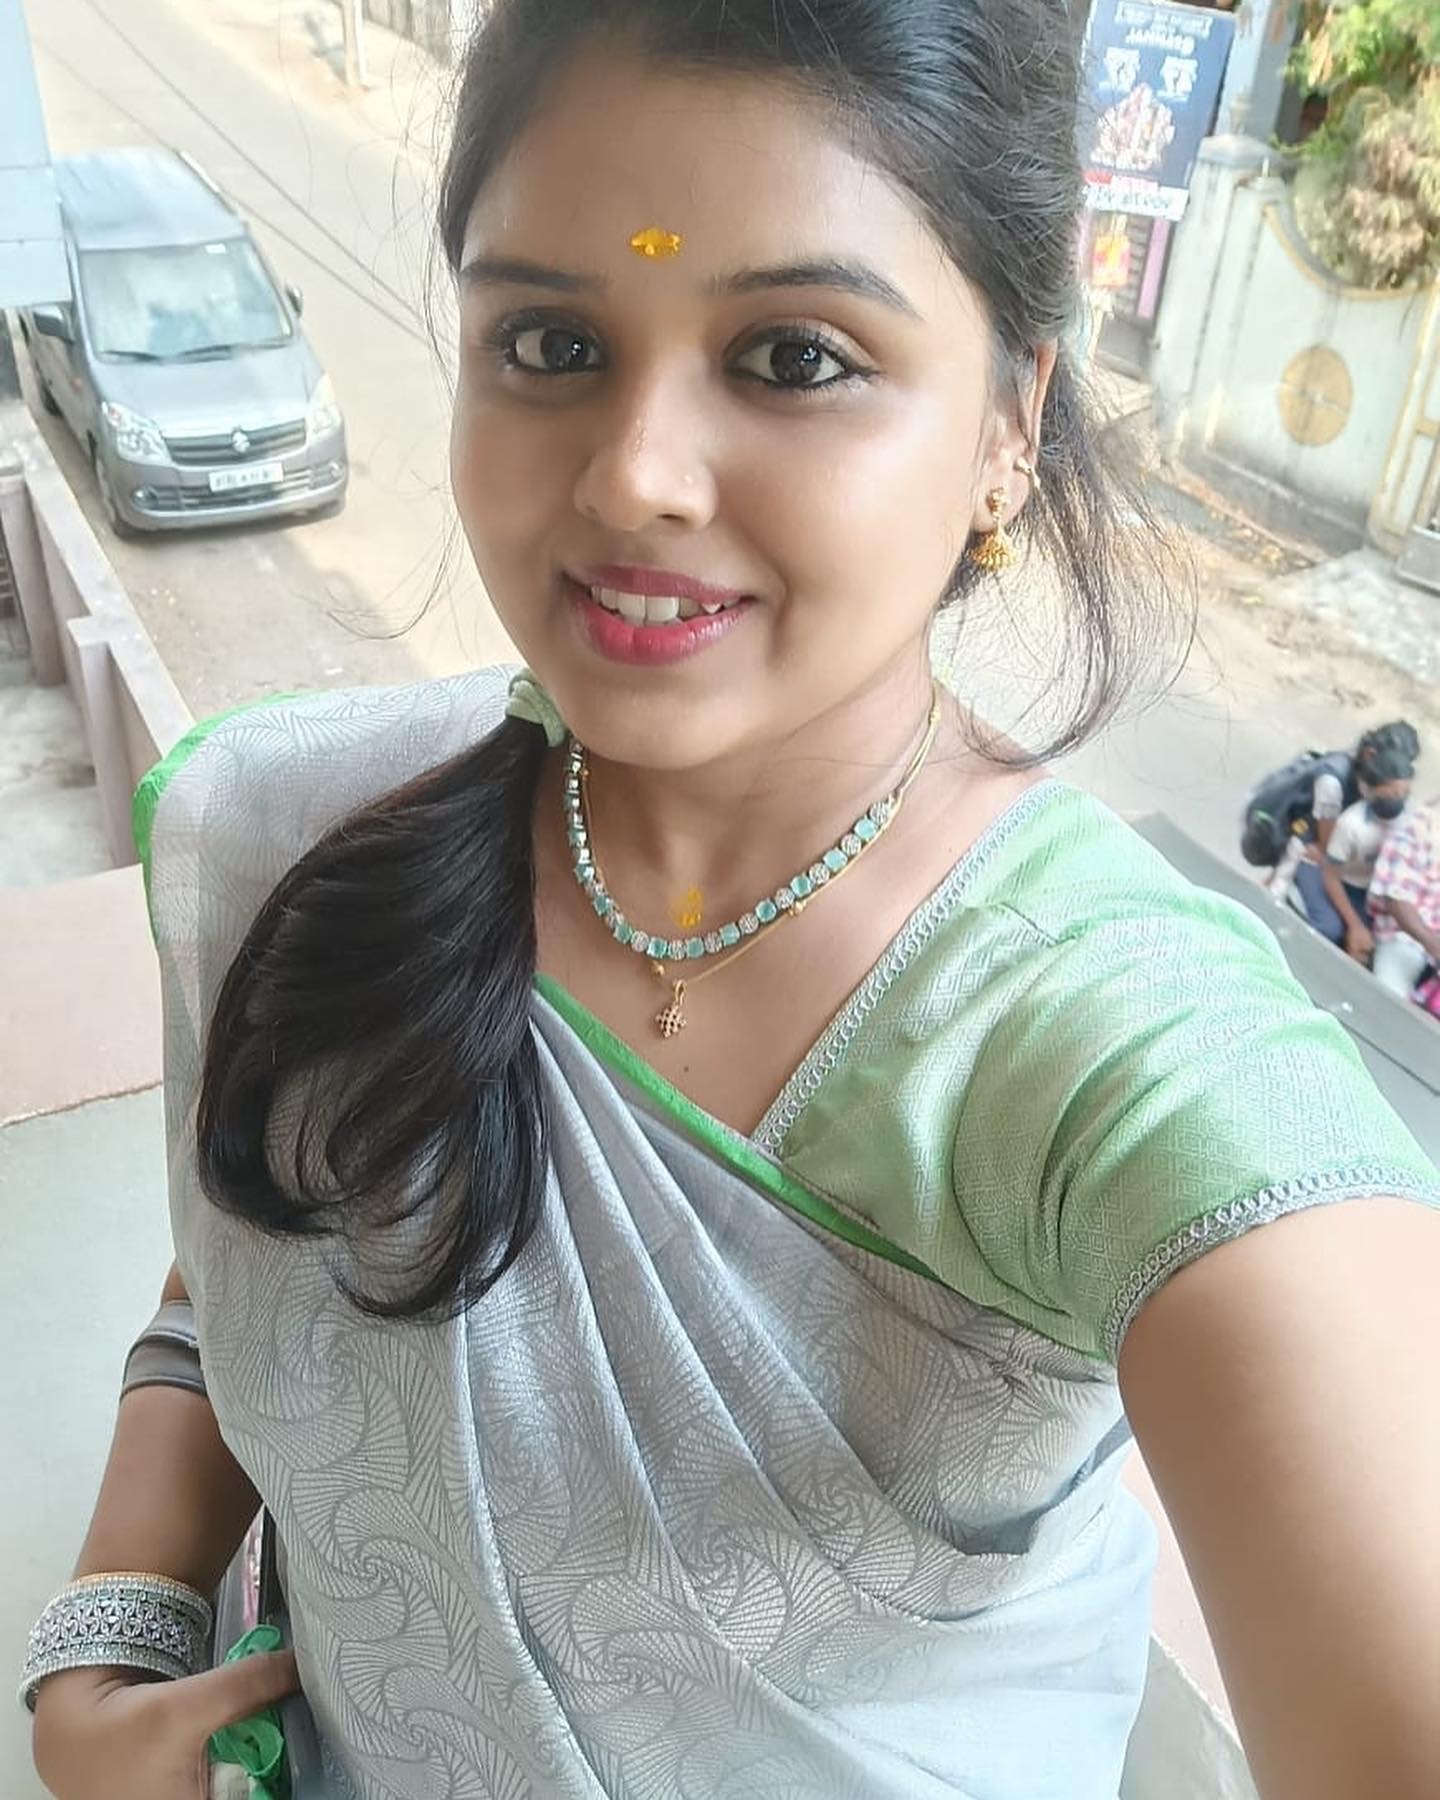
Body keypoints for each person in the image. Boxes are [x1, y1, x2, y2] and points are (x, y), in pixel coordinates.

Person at [23, 4, 1439, 1798]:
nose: (635, 478)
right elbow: (246, 1261)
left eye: (793, 356)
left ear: (1010, 425)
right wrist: (119, 1624)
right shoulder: (296, 833)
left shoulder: (1101, 1038)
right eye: (550, 342)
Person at [1239, 719, 1420, 875]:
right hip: (1286, 828)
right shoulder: (1332, 782)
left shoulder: (1363, 763)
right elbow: (1328, 845)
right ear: (1370, 754)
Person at [1290, 736, 1415, 961]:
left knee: (1373, 946)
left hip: (1364, 886)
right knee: (1331, 930)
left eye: (1404, 794)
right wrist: (1354, 925)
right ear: (1374, 789)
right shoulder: (1352, 824)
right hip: (1332, 875)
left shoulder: (1406, 819)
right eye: (1392, 793)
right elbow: (1330, 875)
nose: (1399, 800)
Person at [1369, 798, 1440, 1002]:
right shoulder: (1415, 828)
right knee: (1389, 1003)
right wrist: (1435, 946)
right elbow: (1396, 900)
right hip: (1407, 938)